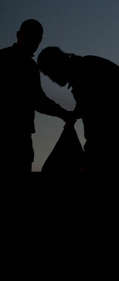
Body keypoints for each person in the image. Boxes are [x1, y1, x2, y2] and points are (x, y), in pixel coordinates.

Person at [37, 46, 119, 190]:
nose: (52, 80)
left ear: (57, 65)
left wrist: (88, 159)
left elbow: (95, 124)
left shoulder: (84, 74)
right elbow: (90, 106)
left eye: (50, 73)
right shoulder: (85, 68)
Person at [0, 19, 73, 180]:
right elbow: (39, 101)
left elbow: (38, 100)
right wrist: (63, 113)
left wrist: (63, 113)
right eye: (29, 38)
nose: (33, 43)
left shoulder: (29, 66)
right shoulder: (6, 60)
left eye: (36, 39)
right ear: (19, 35)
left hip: (21, 140)